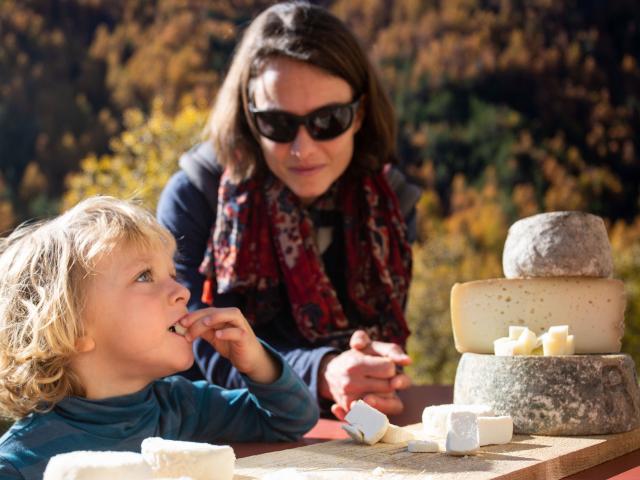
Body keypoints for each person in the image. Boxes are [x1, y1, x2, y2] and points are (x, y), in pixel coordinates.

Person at [157, 1, 422, 420]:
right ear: (249, 115)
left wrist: (373, 368)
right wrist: (320, 371)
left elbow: (379, 331)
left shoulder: (388, 206)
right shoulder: (197, 196)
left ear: (360, 115)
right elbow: (186, 344)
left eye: (328, 120)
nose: (303, 148)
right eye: (278, 124)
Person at [0, 196, 319, 479]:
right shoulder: (16, 463)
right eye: (144, 276)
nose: (182, 292)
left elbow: (290, 421)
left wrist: (257, 363)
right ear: (72, 328)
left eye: (173, 275)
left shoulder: (183, 406)